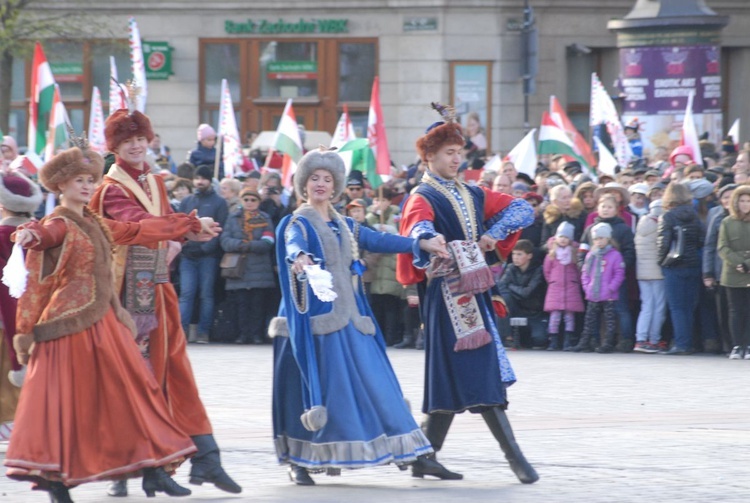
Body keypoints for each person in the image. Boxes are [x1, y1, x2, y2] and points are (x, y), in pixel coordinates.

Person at [6, 143, 213, 501]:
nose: (87, 186)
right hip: (69, 327)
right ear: (60, 185)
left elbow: (136, 231)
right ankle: (58, 481)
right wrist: (29, 235)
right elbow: (45, 235)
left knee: (136, 394)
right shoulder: (58, 223)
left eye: (90, 180)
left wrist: (188, 225)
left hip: (107, 322)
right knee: (69, 403)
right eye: (78, 180)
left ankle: (153, 470)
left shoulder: (96, 222)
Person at [269, 148, 451, 485]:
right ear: (303, 184)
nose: (320, 183)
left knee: (378, 382)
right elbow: (293, 244)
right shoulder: (296, 222)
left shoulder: (346, 225)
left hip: (352, 320)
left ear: (336, 186)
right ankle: (302, 461)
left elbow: (379, 239)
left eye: (327, 178)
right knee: (317, 390)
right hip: (313, 321)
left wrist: (421, 245)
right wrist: (300, 258)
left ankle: (412, 451)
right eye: (314, 178)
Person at [89, 108, 241, 497]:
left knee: (174, 376)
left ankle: (203, 458)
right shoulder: (111, 187)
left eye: (141, 138)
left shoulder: (154, 180)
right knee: (136, 382)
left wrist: (192, 228)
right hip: (125, 299)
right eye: (127, 141)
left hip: (157, 289)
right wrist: (188, 225)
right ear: (115, 147)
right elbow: (138, 226)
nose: (137, 145)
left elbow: (162, 221)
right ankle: (130, 468)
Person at [397, 104, 538, 484]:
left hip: (474, 292)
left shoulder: (473, 192)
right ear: (428, 156)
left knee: (453, 378)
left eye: (460, 152)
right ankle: (515, 459)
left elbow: (523, 210)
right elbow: (417, 230)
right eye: (449, 153)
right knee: (481, 374)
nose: (457, 159)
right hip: (448, 297)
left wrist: (495, 232)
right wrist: (429, 239)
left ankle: (425, 456)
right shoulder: (421, 196)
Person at [0, 172, 43, 441]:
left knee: (6, 369)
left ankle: (8, 421)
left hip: (5, 316)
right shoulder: (41, 232)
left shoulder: (3, 233)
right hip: (38, 314)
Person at [219, 187, 276, 344]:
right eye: (246, 200)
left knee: (257, 305)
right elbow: (225, 240)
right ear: (241, 201)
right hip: (239, 269)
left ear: (258, 202)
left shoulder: (265, 218)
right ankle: (243, 334)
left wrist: (248, 246)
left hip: (260, 270)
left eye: (253, 200)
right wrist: (241, 244)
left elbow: (268, 241)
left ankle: (256, 335)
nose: (250, 203)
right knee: (241, 304)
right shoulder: (232, 218)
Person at [656, 182, 704, 355]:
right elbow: (700, 240)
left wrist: (661, 262)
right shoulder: (695, 216)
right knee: (689, 307)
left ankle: (681, 344)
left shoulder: (667, 217)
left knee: (677, 307)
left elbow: (663, 243)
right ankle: (688, 342)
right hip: (693, 265)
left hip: (674, 266)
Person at [573, 223, 626, 353]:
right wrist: (586, 287)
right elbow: (585, 272)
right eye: (596, 239)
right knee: (589, 320)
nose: (599, 241)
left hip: (608, 295)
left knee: (609, 321)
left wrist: (611, 288)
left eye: (602, 238)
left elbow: (619, 273)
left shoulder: (615, 255)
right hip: (592, 293)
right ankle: (585, 342)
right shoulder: (591, 255)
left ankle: (608, 343)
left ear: (608, 238)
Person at [717, 185, 750, 359]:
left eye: (748, 200)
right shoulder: (727, 222)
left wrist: (747, 264)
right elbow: (722, 246)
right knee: (735, 310)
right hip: (732, 272)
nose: (745, 204)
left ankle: (748, 344)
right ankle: (737, 345)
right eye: (742, 200)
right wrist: (737, 263)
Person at [703, 184, 737, 353]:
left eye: (732, 197)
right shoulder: (716, 217)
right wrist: (707, 273)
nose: (728, 200)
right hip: (720, 271)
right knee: (723, 310)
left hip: (743, 271)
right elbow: (709, 246)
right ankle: (728, 345)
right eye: (725, 197)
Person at [497, 239, 548, 349]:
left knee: (539, 339)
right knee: (503, 299)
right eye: (514, 254)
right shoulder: (510, 268)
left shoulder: (538, 270)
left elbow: (527, 292)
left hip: (533, 311)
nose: (515, 257)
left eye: (519, 254)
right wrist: (514, 290)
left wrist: (510, 286)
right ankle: (506, 337)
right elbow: (501, 286)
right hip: (515, 308)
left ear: (529, 256)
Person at [543, 222, 584, 351]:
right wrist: (553, 281)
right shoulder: (551, 255)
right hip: (555, 289)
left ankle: (568, 341)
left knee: (569, 317)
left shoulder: (574, 254)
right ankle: (553, 341)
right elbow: (547, 271)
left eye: (566, 237)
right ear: (556, 238)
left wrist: (575, 282)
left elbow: (578, 271)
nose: (563, 240)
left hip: (571, 288)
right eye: (561, 237)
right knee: (554, 317)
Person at [633, 199, 666, 353]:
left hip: (642, 272)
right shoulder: (659, 225)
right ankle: (653, 339)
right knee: (658, 306)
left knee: (646, 306)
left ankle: (640, 338)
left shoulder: (641, 223)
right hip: (657, 272)